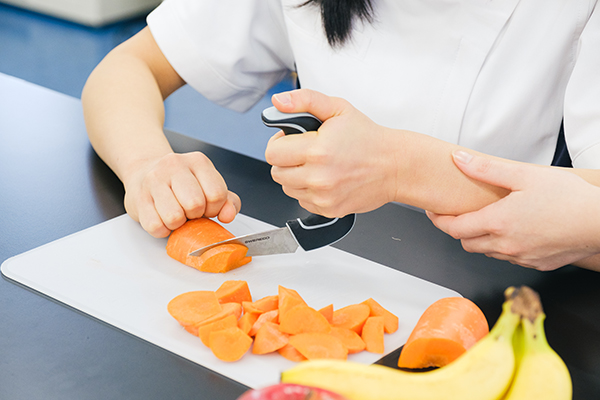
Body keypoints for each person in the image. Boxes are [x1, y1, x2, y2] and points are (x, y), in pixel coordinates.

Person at [81, 0, 600, 269]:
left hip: (522, 298)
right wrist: (146, 163)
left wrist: (400, 168)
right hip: (334, 271)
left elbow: (585, 212)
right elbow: (128, 69)